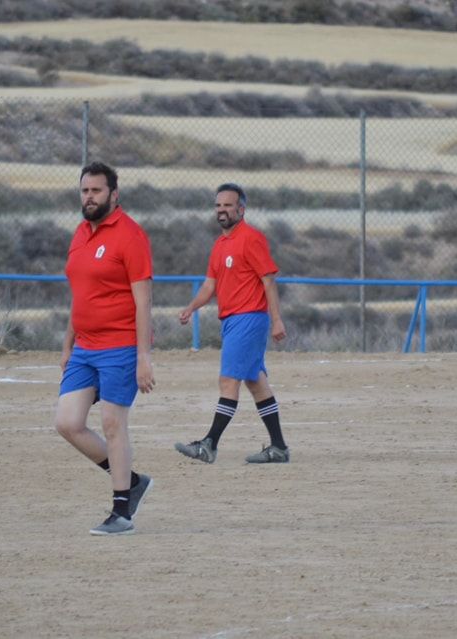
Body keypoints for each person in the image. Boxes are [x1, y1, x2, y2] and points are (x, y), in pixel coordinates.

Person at [54, 161, 155, 536]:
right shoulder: (80, 234)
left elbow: (143, 301)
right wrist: (68, 344)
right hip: (85, 347)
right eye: (84, 191)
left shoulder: (130, 235)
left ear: (114, 194)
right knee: (67, 423)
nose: (89, 197)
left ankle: (121, 513)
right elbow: (79, 296)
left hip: (120, 345)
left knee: (113, 424)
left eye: (96, 191)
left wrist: (143, 357)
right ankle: (133, 481)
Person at [175, 183, 289, 464]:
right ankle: (279, 448)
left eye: (228, 205)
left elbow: (268, 280)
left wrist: (276, 320)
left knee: (228, 380)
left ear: (241, 209)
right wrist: (191, 307)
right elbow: (209, 286)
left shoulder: (251, 238)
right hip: (232, 321)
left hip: (249, 319)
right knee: (256, 383)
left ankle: (209, 444)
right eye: (218, 205)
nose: (222, 210)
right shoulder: (220, 245)